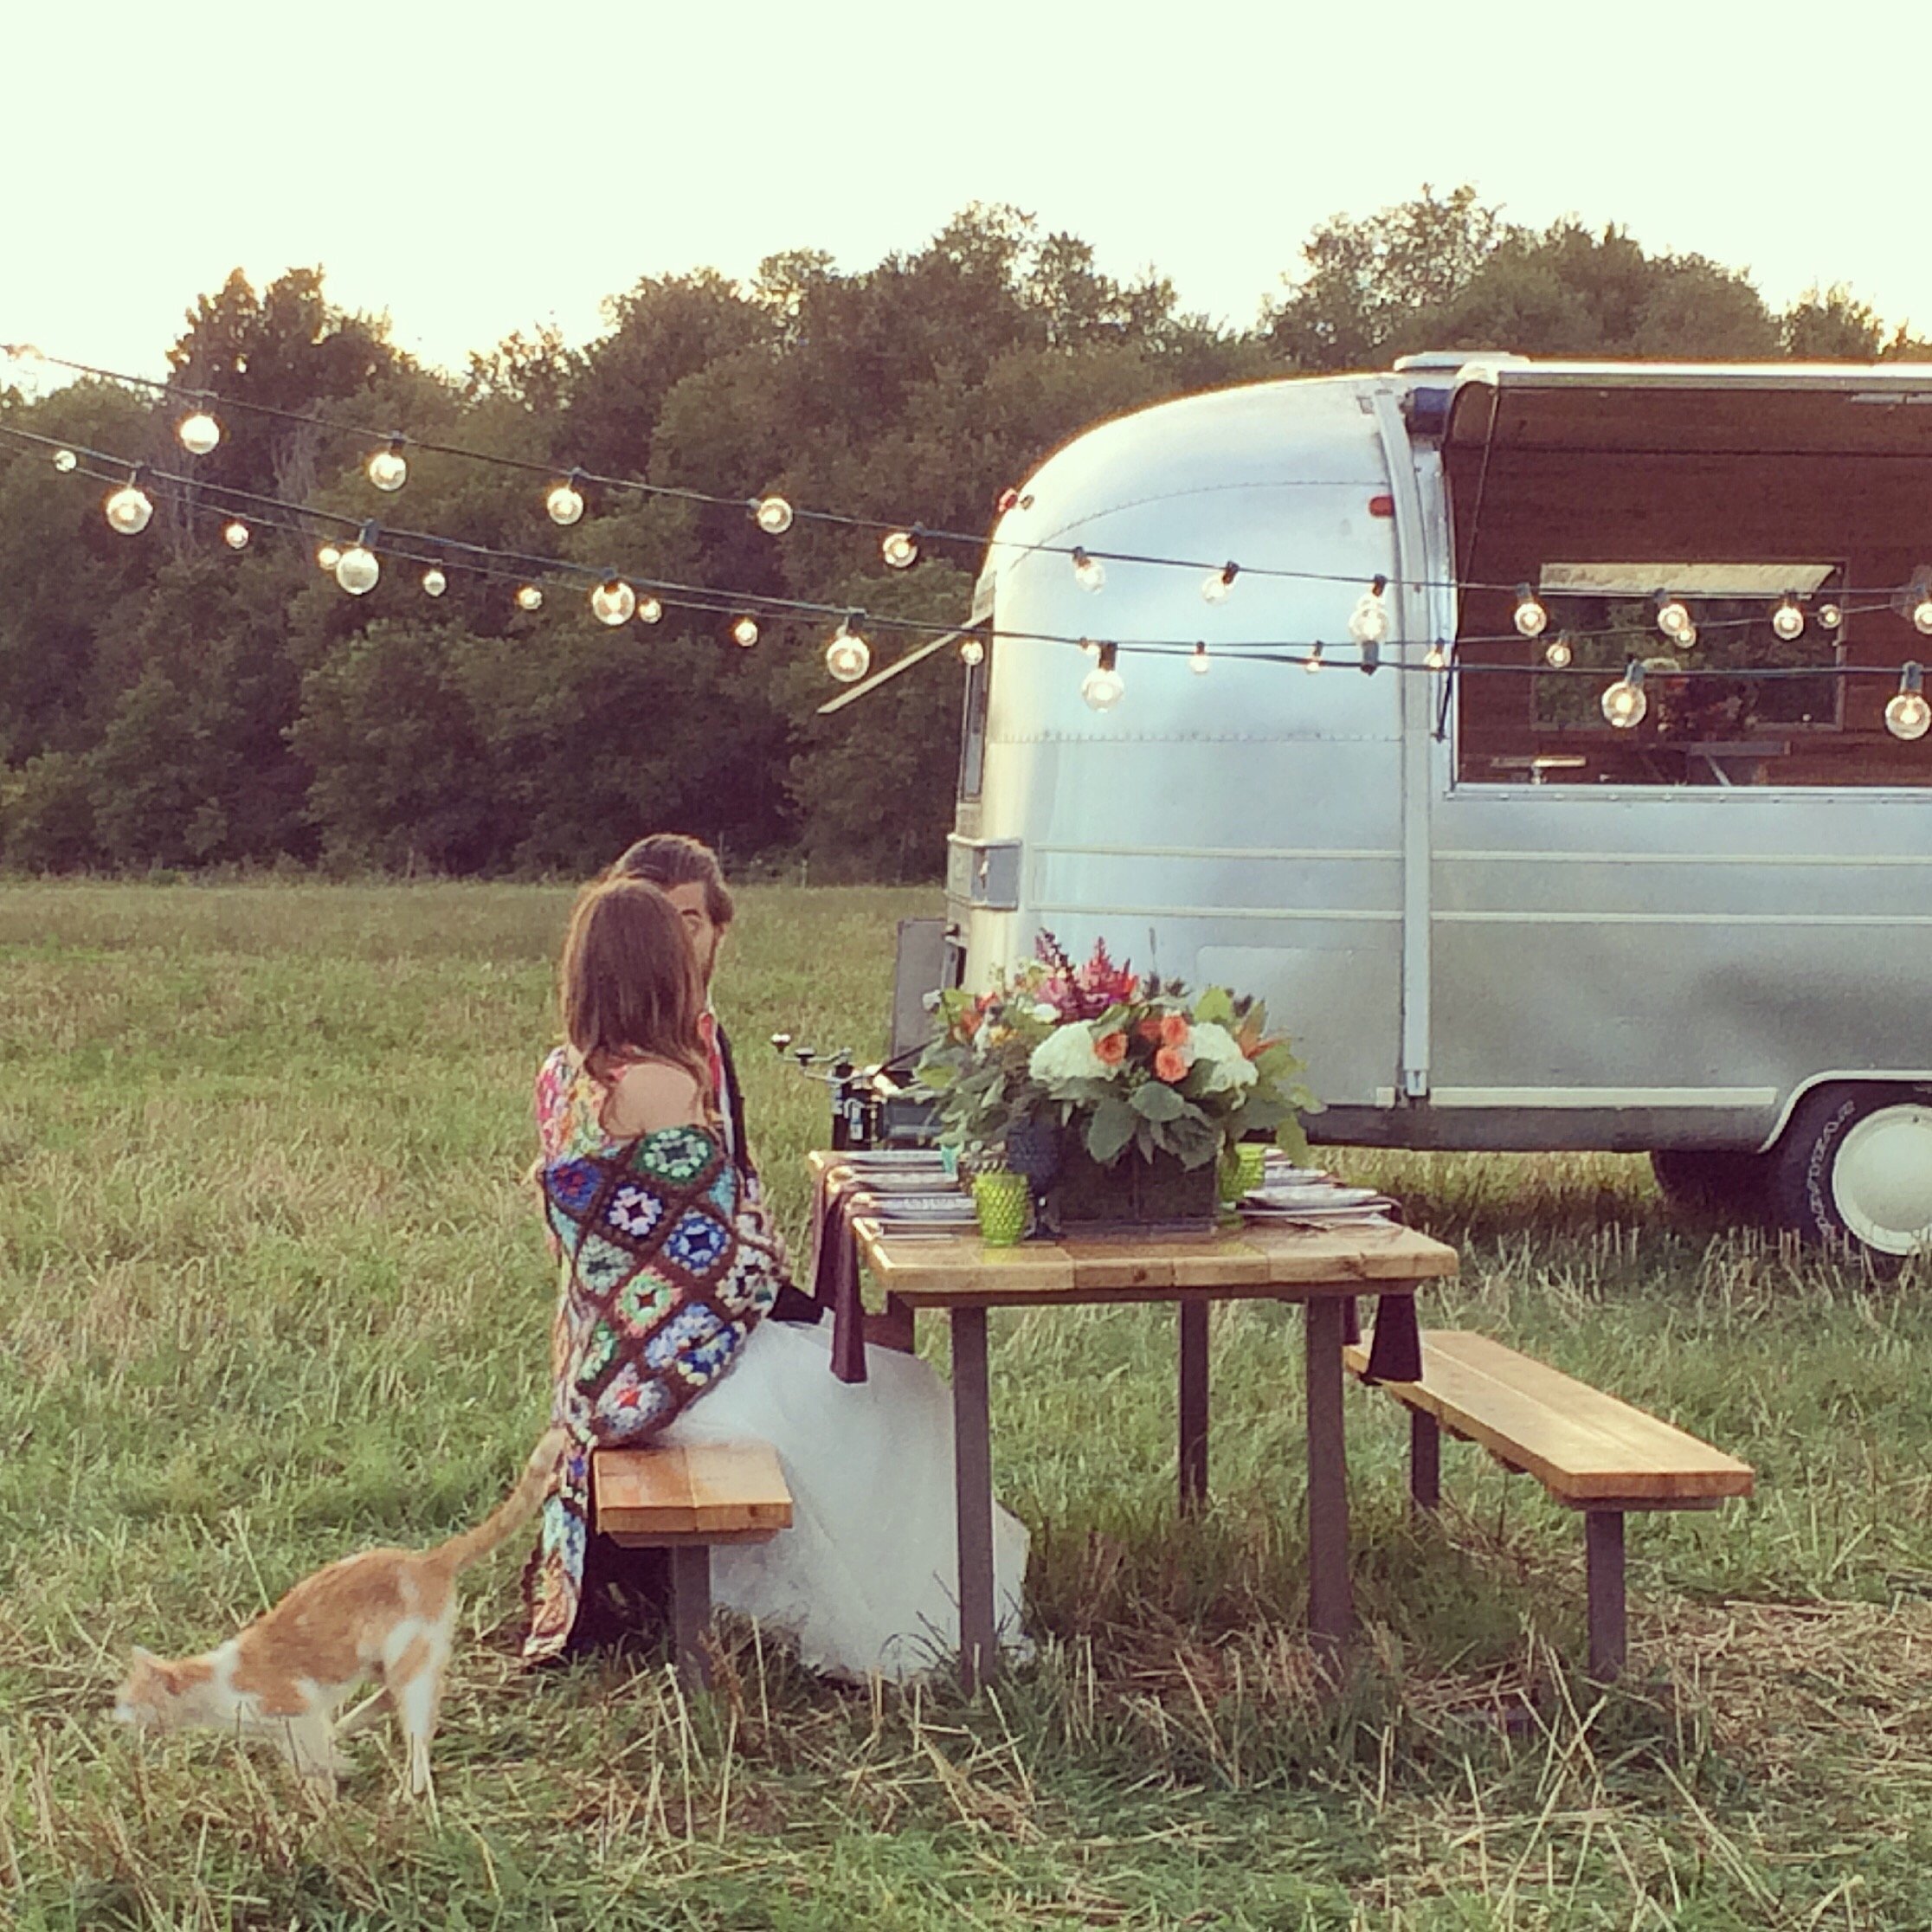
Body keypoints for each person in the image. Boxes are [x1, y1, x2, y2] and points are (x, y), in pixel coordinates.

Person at [523, 876, 1028, 1678]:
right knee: (901, 1394)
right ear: (663, 971)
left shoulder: (563, 1076)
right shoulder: (666, 1083)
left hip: (603, 1366)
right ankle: (921, 1626)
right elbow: (726, 1253)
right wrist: (795, 1287)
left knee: (862, 1378)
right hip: (673, 1378)